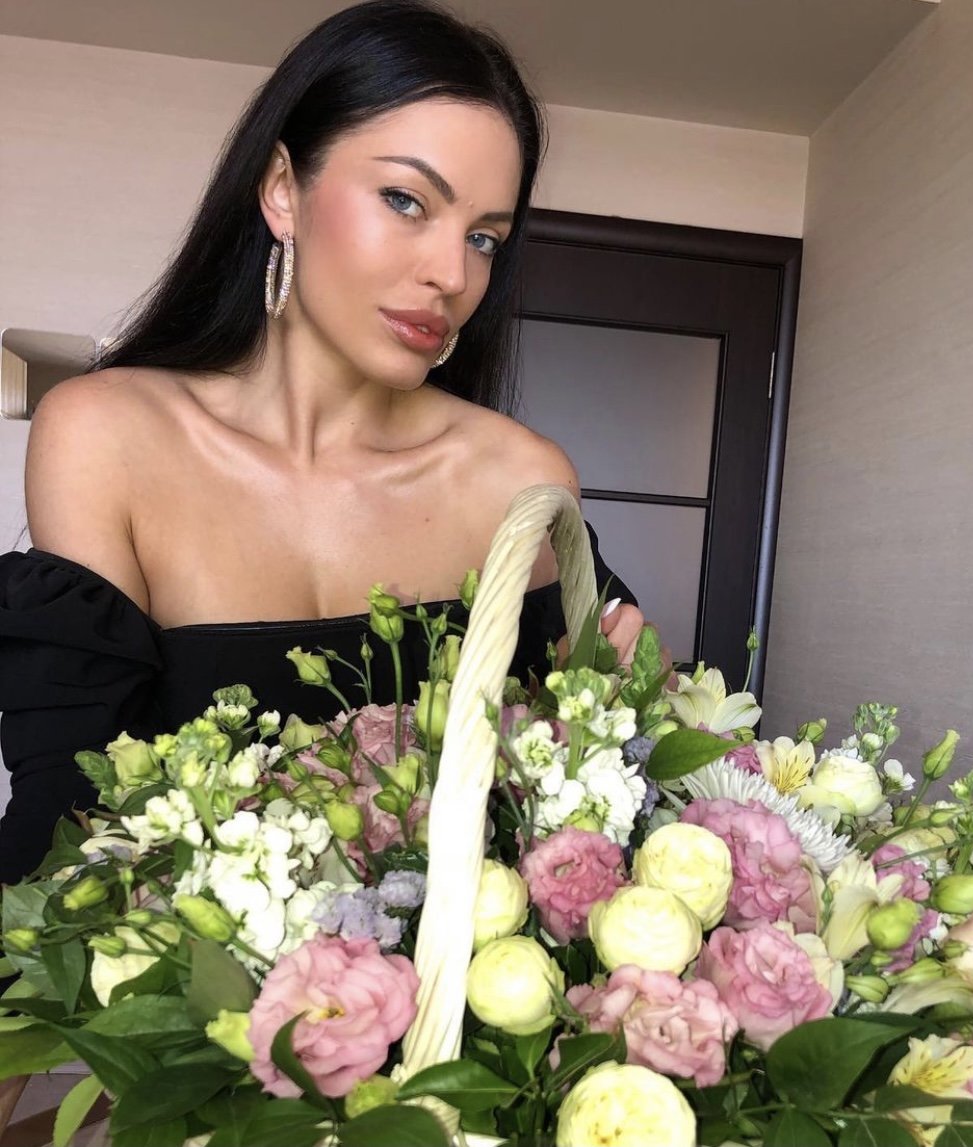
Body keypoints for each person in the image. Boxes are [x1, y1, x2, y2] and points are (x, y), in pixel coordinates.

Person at [0, 0, 644, 885]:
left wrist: (615, 714)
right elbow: (62, 824)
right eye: (405, 200)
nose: (453, 275)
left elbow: (578, 822)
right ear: (281, 190)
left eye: (484, 238)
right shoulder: (106, 436)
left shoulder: (519, 479)